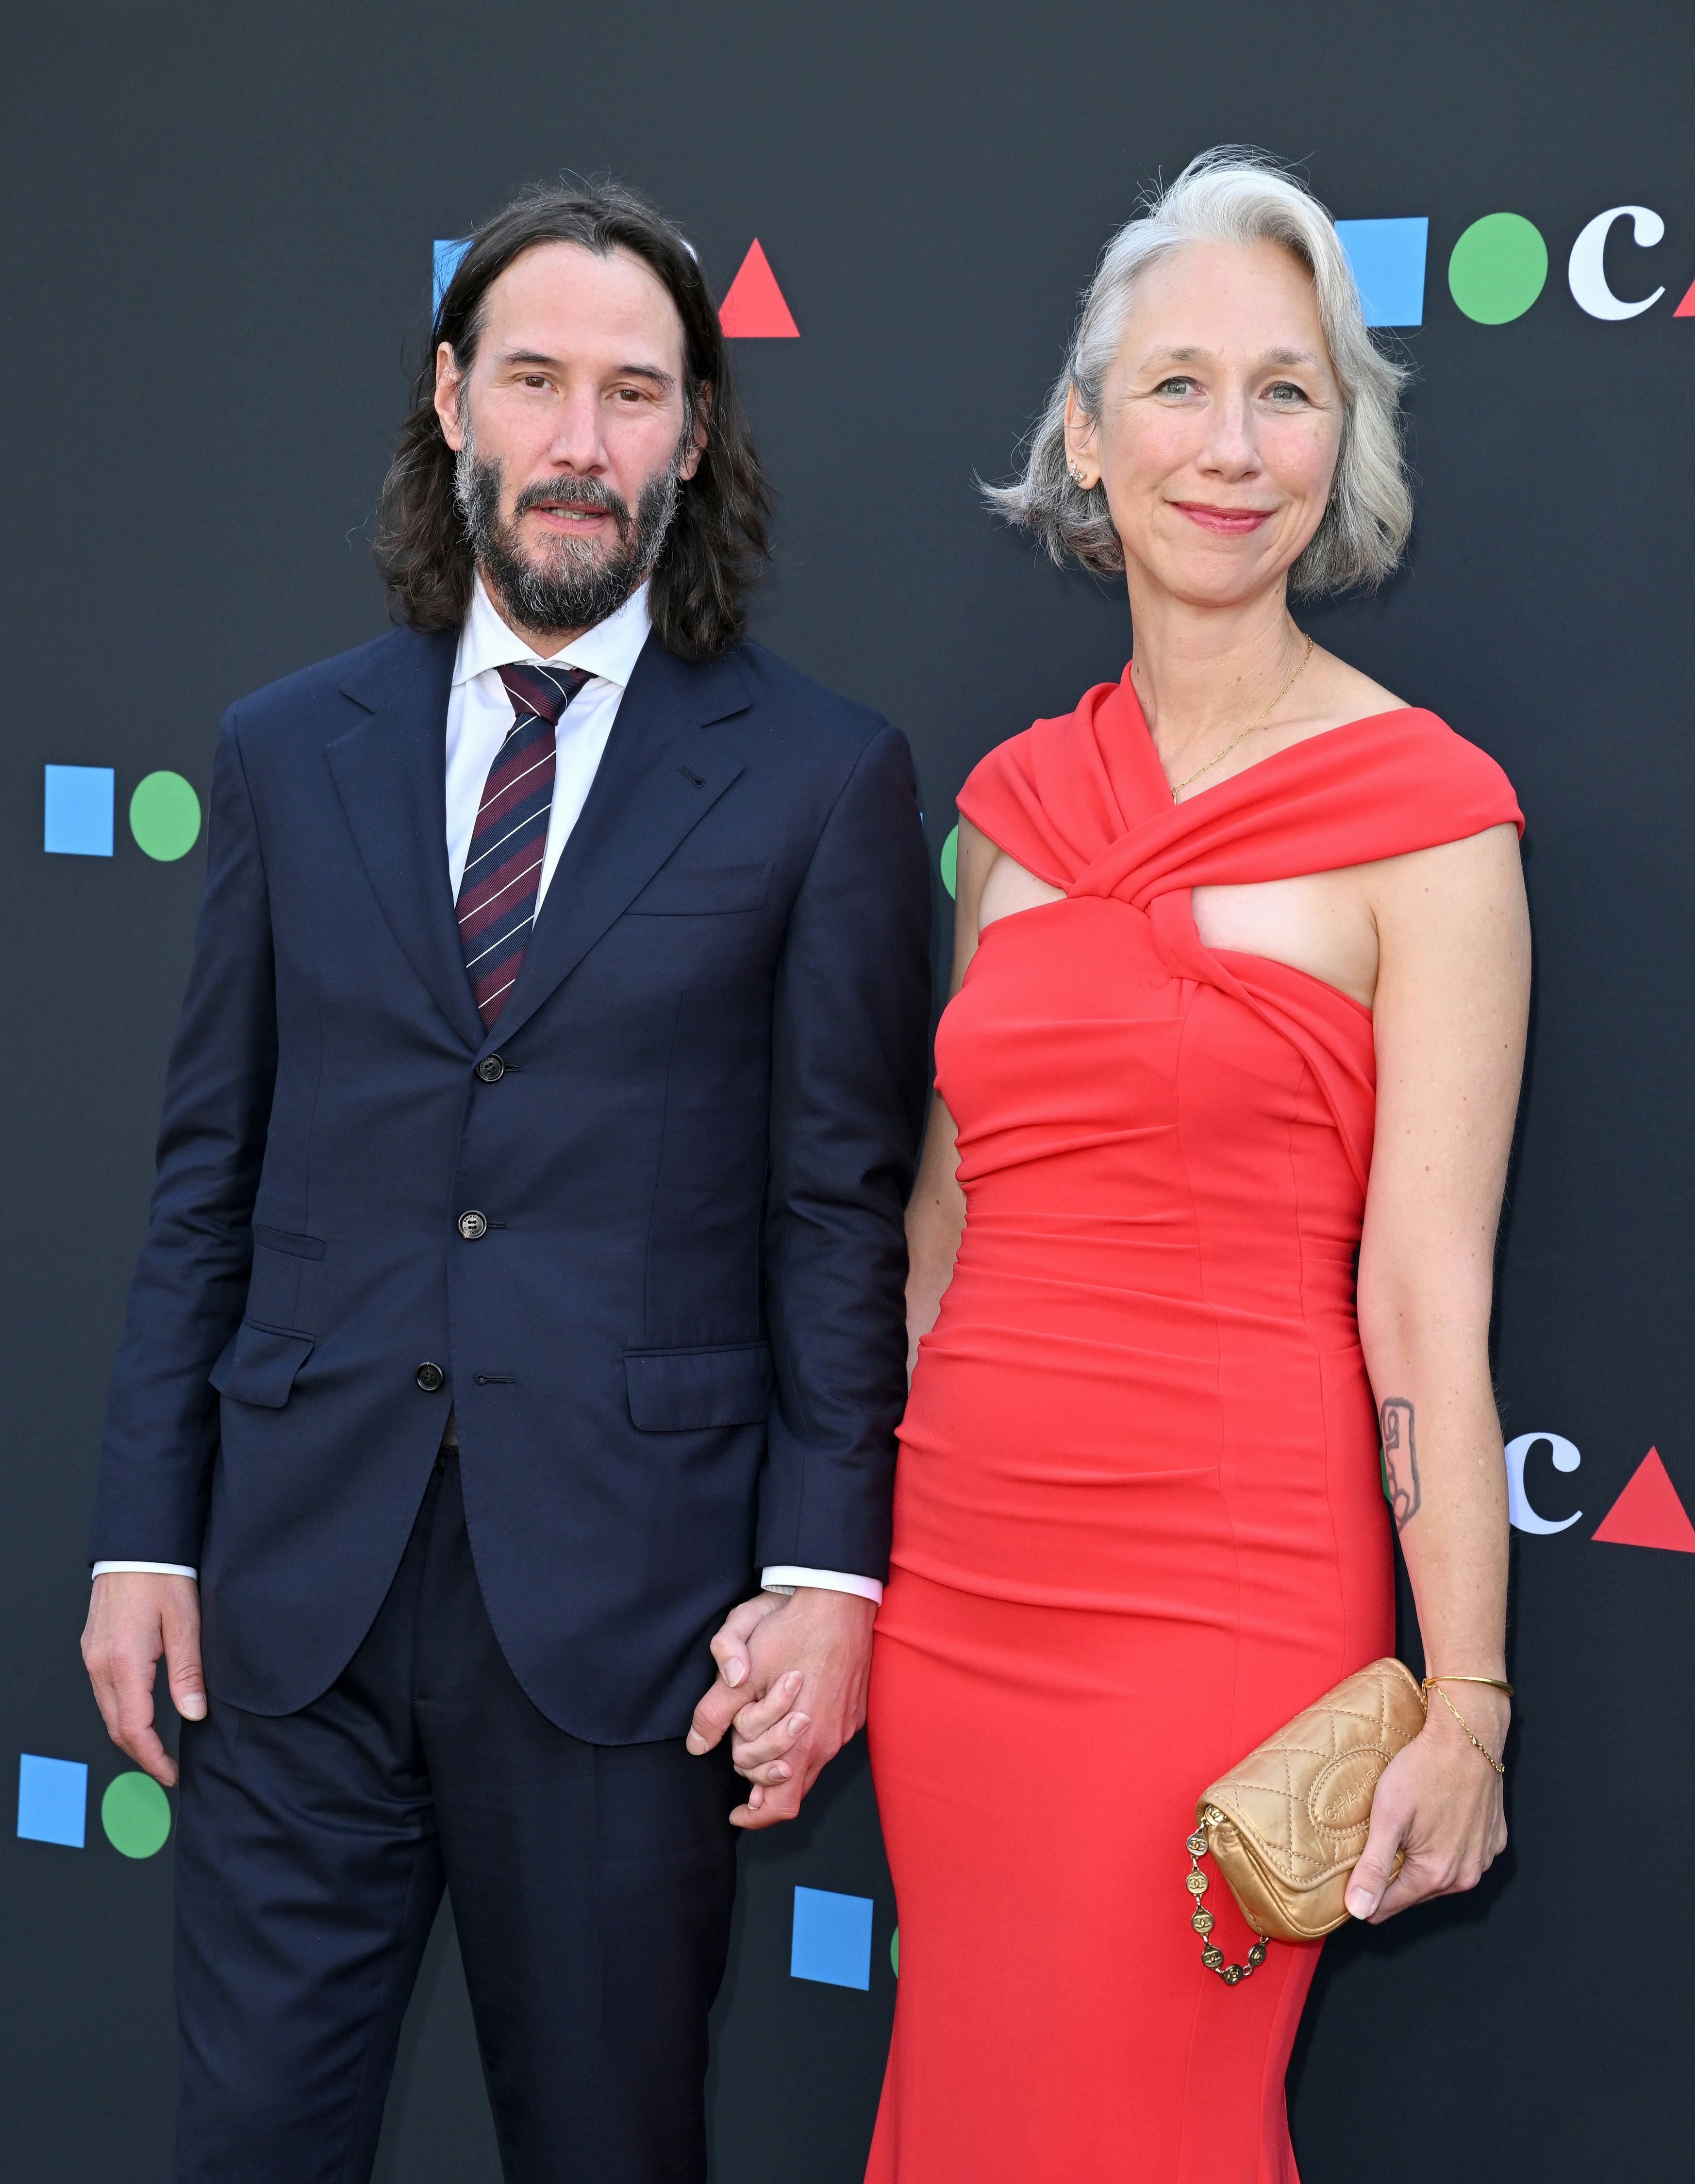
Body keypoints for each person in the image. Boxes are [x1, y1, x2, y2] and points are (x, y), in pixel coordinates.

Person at [79, 180, 931, 2184]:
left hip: (631, 1629)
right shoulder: (288, 750)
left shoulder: (822, 780)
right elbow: (208, 1170)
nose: (580, 442)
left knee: (609, 2151)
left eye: (635, 394)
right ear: (451, 396)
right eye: (536, 381)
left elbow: (838, 1218)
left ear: (697, 435)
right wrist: (145, 1534)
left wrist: (826, 1573)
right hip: (294, 1607)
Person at [856, 149, 1529, 2182]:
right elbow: (933, 1236)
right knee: (966, 2108)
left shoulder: (1431, 818)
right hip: (958, 1597)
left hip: (1230, 1610)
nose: (1230, 448)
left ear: (1345, 441)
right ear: (1086, 432)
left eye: (1288, 391)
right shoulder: (1006, 814)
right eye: (1176, 388)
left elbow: (1427, 1292)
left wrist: (1470, 1698)